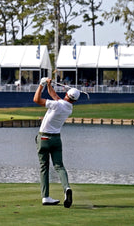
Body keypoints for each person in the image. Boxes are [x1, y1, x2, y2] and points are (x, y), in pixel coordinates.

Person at [33, 77, 80, 208]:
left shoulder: (57, 104)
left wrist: (41, 85)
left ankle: (45, 197)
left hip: (43, 138)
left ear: (66, 94)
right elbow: (54, 96)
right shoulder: (69, 108)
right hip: (56, 139)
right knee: (59, 166)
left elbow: (36, 100)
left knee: (44, 168)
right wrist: (49, 85)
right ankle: (67, 189)